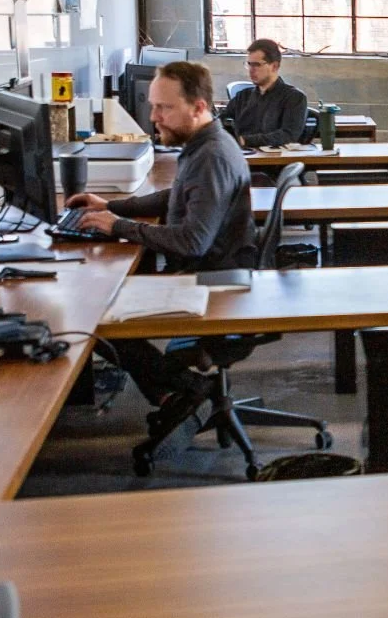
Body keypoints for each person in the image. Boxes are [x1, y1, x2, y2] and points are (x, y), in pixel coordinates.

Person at [67, 60, 256, 418]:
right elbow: (175, 197)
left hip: (211, 279)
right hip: (212, 268)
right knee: (101, 296)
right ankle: (173, 388)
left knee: (94, 312)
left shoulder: (211, 156)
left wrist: (116, 226)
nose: (153, 116)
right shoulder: (204, 142)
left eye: (164, 107)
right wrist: (113, 207)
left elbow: (192, 242)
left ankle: (179, 388)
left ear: (198, 107)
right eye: (153, 105)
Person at [223, 38, 310, 148]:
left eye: (257, 65)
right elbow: (222, 120)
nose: (251, 69)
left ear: (275, 66)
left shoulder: (294, 98)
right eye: (249, 64)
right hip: (240, 156)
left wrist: (245, 140)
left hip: (271, 162)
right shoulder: (243, 96)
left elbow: (288, 135)